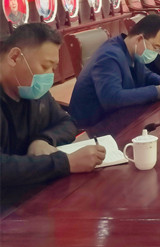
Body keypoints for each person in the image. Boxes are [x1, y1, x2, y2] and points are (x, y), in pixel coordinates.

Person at [1, 24, 106, 187]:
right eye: (45, 66)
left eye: (53, 68)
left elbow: (67, 122)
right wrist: (66, 163)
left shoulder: (31, 90)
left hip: (35, 186)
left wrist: (43, 140)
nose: (49, 75)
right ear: (15, 57)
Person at [69, 15, 160, 127]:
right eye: (155, 47)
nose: (156, 53)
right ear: (139, 39)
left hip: (120, 117)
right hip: (95, 126)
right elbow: (111, 98)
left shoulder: (132, 50)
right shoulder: (109, 56)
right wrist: (158, 91)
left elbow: (146, 74)